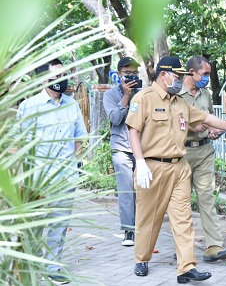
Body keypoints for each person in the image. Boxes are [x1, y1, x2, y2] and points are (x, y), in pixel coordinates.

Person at [125, 56, 226, 283]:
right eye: (176, 76)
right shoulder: (143, 98)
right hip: (152, 167)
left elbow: (207, 117)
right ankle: (141, 259)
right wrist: (140, 162)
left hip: (179, 167)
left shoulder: (180, 103)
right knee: (148, 217)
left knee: (183, 217)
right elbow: (133, 131)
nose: (180, 80)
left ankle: (186, 268)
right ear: (164, 75)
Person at [15, 58, 88, 284]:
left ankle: (52, 265)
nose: (60, 80)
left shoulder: (72, 104)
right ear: (42, 79)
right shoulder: (29, 106)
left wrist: (75, 166)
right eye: (55, 76)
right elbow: (20, 144)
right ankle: (31, 260)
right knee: (35, 224)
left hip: (65, 177)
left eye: (63, 75)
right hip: (37, 179)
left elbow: (79, 140)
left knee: (59, 224)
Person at [179, 56, 226, 262]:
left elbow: (208, 117)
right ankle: (184, 248)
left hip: (203, 151)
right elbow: (170, 122)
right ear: (192, 72)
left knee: (207, 198)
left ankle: (214, 246)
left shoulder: (205, 94)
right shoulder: (177, 95)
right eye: (205, 74)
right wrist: (192, 126)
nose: (208, 78)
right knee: (181, 202)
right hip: (181, 153)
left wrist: (212, 130)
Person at [103, 57, 141, 246]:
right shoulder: (110, 95)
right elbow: (115, 119)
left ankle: (144, 229)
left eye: (134, 73)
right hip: (121, 148)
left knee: (144, 190)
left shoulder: (143, 93)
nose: (131, 76)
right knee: (127, 191)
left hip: (142, 148)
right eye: (127, 73)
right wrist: (126, 97)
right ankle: (129, 231)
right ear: (119, 75)